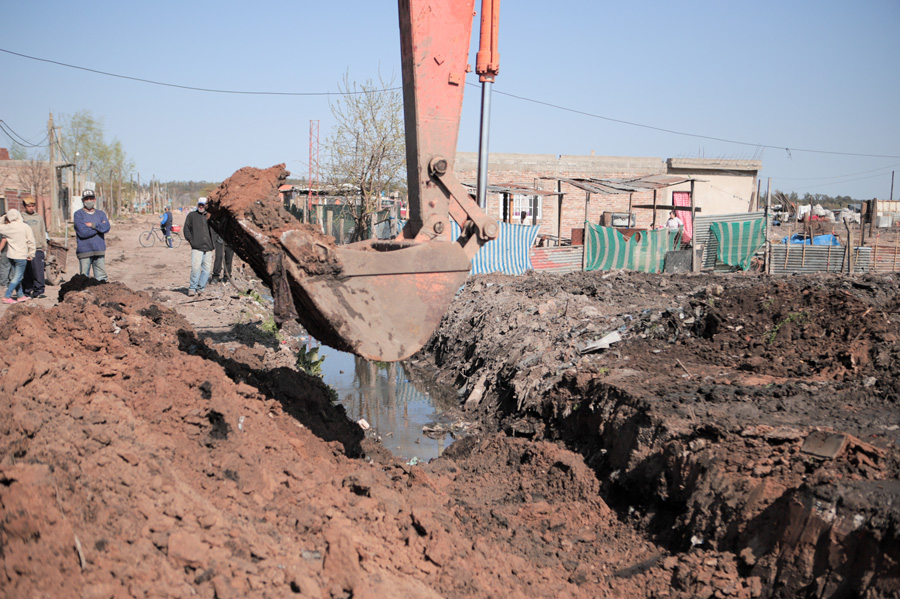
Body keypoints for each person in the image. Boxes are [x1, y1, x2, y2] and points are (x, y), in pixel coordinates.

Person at [73, 189, 111, 281]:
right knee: (83, 278)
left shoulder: (101, 214)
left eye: (91, 198)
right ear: (83, 200)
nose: (89, 201)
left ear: (95, 200)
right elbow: (83, 232)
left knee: (101, 278)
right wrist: (99, 228)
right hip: (84, 251)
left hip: (99, 250)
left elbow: (106, 227)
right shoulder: (78, 214)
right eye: (86, 199)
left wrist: (92, 225)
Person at [0, 209, 36, 303]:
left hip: (11, 255)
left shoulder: (6, 227)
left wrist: (5, 216)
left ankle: (20, 295)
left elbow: (0, 222)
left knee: (15, 276)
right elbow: (31, 241)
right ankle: (7, 296)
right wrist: (31, 253)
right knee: (18, 277)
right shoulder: (25, 227)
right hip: (21, 255)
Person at [183, 197, 214, 296]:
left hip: (208, 248)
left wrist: (213, 244)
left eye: (203, 205)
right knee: (195, 268)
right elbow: (186, 229)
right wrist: (192, 241)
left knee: (207, 270)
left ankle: (201, 287)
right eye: (199, 205)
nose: (201, 206)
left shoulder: (210, 217)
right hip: (197, 247)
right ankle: (192, 288)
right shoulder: (192, 215)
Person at [21, 196, 48, 298]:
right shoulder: (21, 217)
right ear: (25, 206)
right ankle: (27, 290)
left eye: (32, 206)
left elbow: (43, 231)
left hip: (37, 248)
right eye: (29, 206)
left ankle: (39, 290)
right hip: (26, 249)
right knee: (27, 272)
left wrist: (44, 245)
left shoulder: (39, 217)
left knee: (38, 271)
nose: (31, 208)